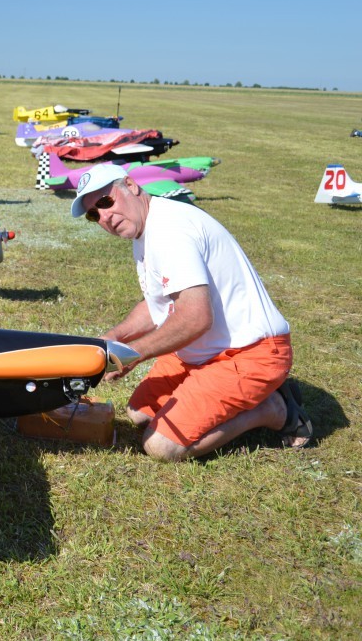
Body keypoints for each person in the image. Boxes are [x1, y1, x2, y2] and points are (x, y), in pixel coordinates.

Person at [72, 163, 312, 461]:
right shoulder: (147, 227)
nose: (104, 217)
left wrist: (133, 354)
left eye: (106, 202)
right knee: (138, 415)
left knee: (161, 447)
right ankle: (216, 396)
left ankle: (273, 409)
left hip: (250, 352)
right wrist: (113, 338)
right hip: (200, 350)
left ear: (131, 186)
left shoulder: (169, 231)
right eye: (94, 214)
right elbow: (157, 303)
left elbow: (196, 317)